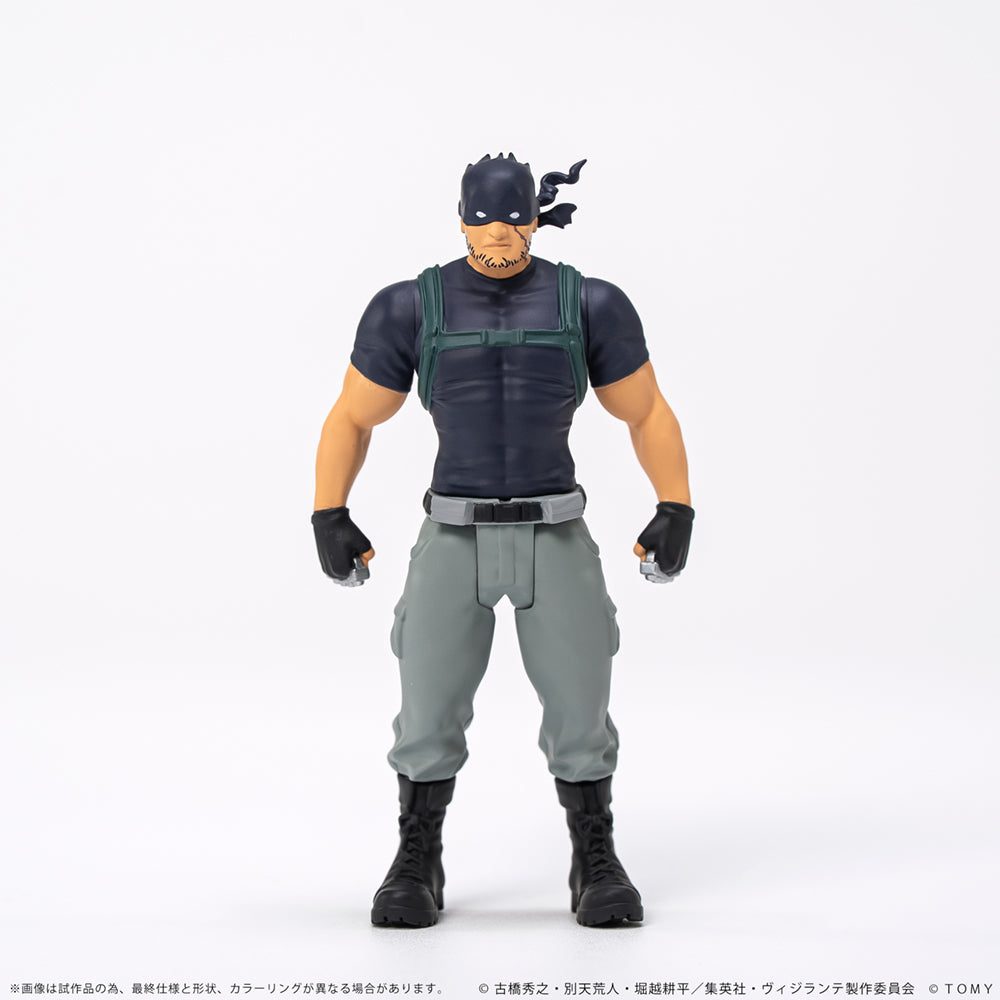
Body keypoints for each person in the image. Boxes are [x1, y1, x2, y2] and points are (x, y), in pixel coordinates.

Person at [312, 153, 694, 927]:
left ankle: (595, 858)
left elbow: (646, 410)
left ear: (536, 219)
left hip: (556, 532)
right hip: (453, 534)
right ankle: (417, 858)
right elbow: (353, 415)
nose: (498, 233)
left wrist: (675, 503)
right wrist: (330, 511)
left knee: (582, 708)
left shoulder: (588, 303)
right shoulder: (410, 307)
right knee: (426, 710)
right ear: (460, 219)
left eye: (514, 218)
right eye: (483, 218)